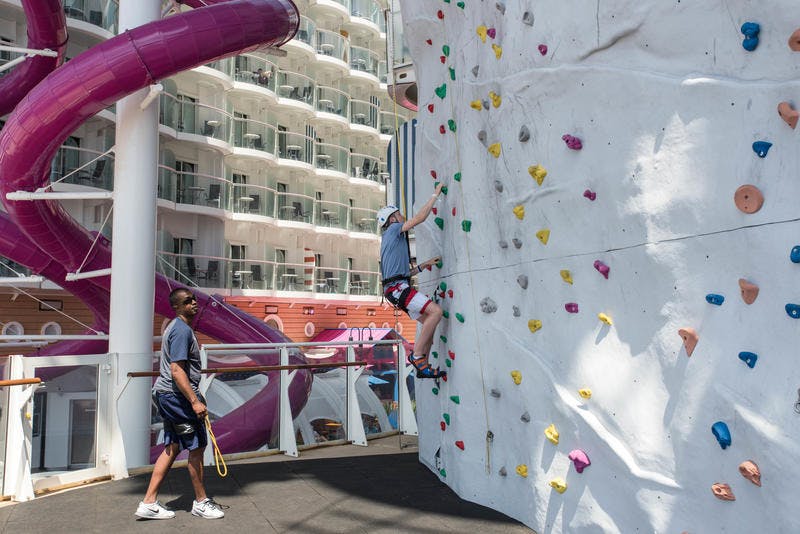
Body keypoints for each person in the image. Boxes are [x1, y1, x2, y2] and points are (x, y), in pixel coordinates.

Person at [135, 288, 225, 520]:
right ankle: (201, 502)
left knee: (173, 446)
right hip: (176, 398)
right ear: (176, 307)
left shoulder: (178, 329)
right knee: (196, 447)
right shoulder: (181, 331)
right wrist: (194, 401)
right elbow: (176, 370)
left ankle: (149, 502)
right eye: (187, 302)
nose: (194, 303)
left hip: (167, 395)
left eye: (194, 299)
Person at [377, 183, 446, 379]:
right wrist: (435, 194)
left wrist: (423, 265)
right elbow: (420, 218)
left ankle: (423, 366)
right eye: (398, 214)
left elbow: (401, 274)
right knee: (436, 312)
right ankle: (417, 356)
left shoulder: (391, 240)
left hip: (396, 289)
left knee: (428, 324)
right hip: (399, 289)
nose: (402, 217)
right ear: (392, 219)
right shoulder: (393, 230)